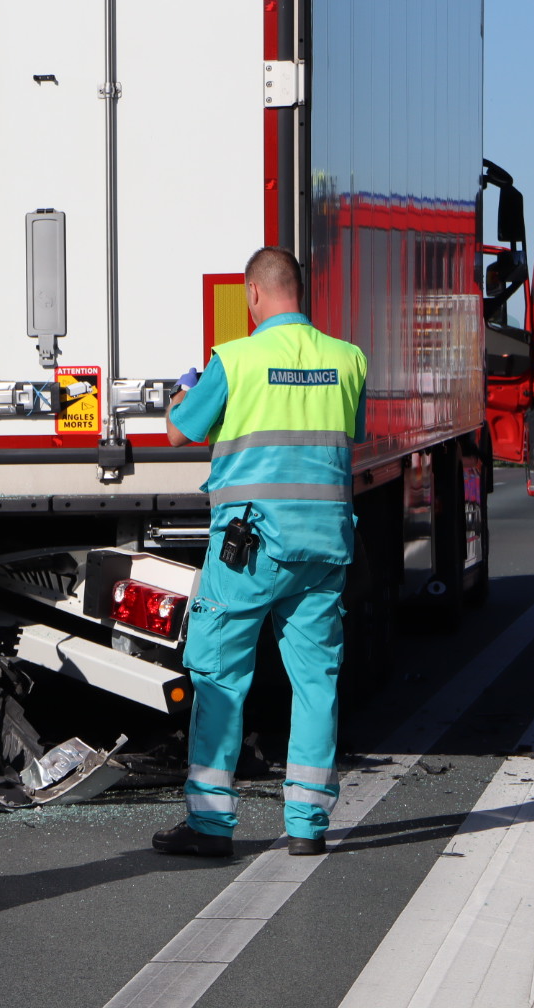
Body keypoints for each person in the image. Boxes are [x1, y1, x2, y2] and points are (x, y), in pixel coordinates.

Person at [151, 246, 366, 860]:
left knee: (220, 675)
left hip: (249, 549)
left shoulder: (235, 359)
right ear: (299, 291)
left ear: (253, 294)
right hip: (323, 547)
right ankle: (307, 823)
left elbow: (178, 430)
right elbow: (343, 430)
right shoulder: (347, 359)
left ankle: (213, 825)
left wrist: (189, 390)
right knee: (315, 681)